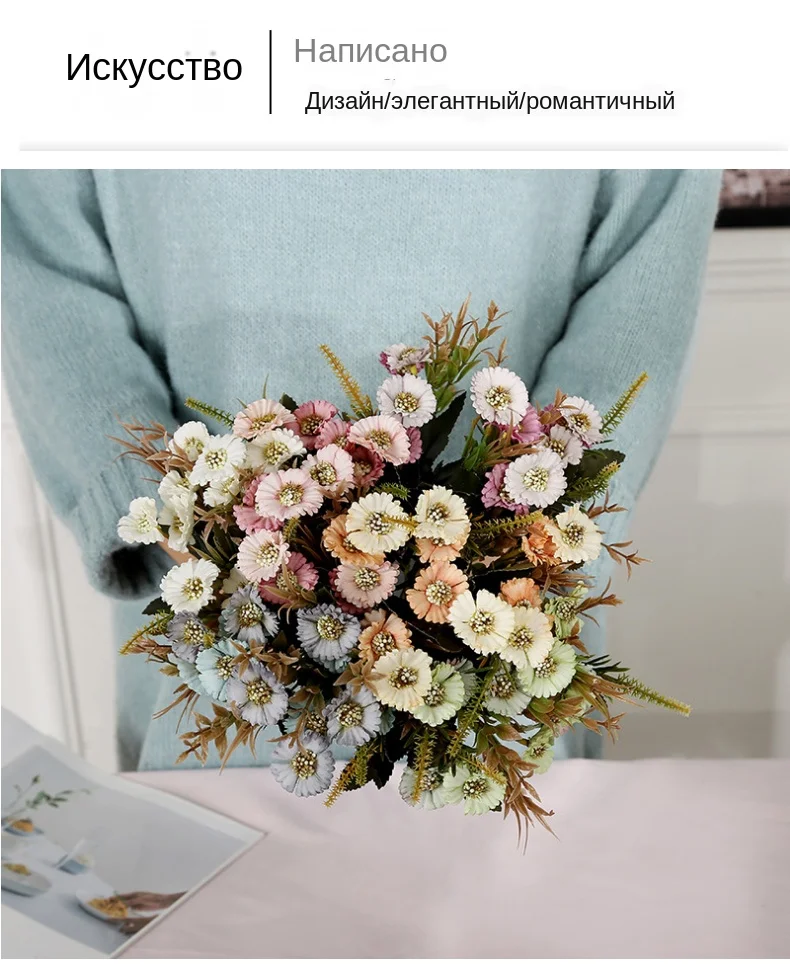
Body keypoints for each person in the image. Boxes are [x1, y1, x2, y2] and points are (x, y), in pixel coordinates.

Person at [1, 169, 721, 771]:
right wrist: (173, 520)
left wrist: (534, 535)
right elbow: (38, 254)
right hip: (216, 631)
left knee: (507, 881)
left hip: (499, 620)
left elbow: (648, 251)